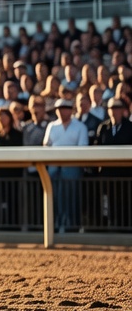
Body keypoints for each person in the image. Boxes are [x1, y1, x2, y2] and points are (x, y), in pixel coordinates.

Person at [44, 98, 89, 234]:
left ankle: (71, 226)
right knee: (54, 197)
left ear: (70, 110)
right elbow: (46, 145)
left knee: (71, 197)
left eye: (65, 108)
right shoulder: (51, 126)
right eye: (59, 109)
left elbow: (83, 148)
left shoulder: (80, 126)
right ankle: (56, 226)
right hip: (53, 168)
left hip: (72, 168)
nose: (62, 111)